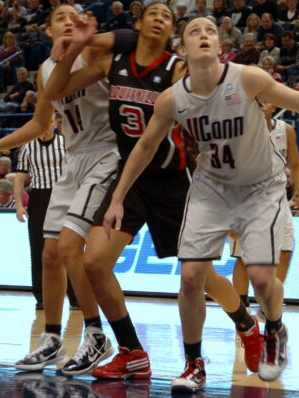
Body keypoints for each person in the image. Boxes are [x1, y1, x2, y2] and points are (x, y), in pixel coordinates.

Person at [93, 16, 299, 391]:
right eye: (195, 32)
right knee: (191, 277)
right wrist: (119, 198)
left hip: (260, 188)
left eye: (210, 31)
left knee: (260, 278)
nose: (204, 35)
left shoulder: (247, 78)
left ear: (220, 46)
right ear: (183, 50)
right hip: (211, 188)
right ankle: (194, 364)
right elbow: (143, 146)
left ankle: (273, 328)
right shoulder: (173, 99)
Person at [44, 2, 264, 381]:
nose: (160, 17)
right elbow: (55, 91)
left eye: (167, 15)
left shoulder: (176, 69)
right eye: (153, 12)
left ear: (172, 32)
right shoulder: (113, 63)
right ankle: (132, 352)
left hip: (174, 184)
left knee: (202, 277)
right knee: (94, 262)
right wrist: (77, 47)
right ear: (140, 23)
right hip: (130, 181)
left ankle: (245, 324)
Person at [0, 5, 125, 376]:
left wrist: (86, 39)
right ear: (49, 31)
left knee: (70, 249)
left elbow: (128, 39)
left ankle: (96, 333)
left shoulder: (93, 51)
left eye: (74, 15)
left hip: (105, 155)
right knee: (50, 255)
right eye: (60, 18)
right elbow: (39, 123)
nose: (69, 20)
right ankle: (51, 339)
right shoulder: (46, 70)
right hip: (74, 158)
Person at [232, 101, 299, 316]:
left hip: (279, 197)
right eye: (256, 102)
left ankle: (268, 301)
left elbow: (296, 164)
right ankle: (241, 307)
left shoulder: (286, 129)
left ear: (274, 105)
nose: (261, 105)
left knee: (286, 249)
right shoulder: (240, 131)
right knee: (243, 257)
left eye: (265, 101)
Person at [14, 116, 66, 310]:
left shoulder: (65, 144)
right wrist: (19, 205)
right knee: (38, 249)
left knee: (69, 248)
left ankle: (76, 298)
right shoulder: (27, 147)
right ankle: (41, 297)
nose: (46, 127)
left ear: (55, 123)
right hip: (38, 199)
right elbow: (20, 178)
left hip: (63, 197)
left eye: (49, 122)